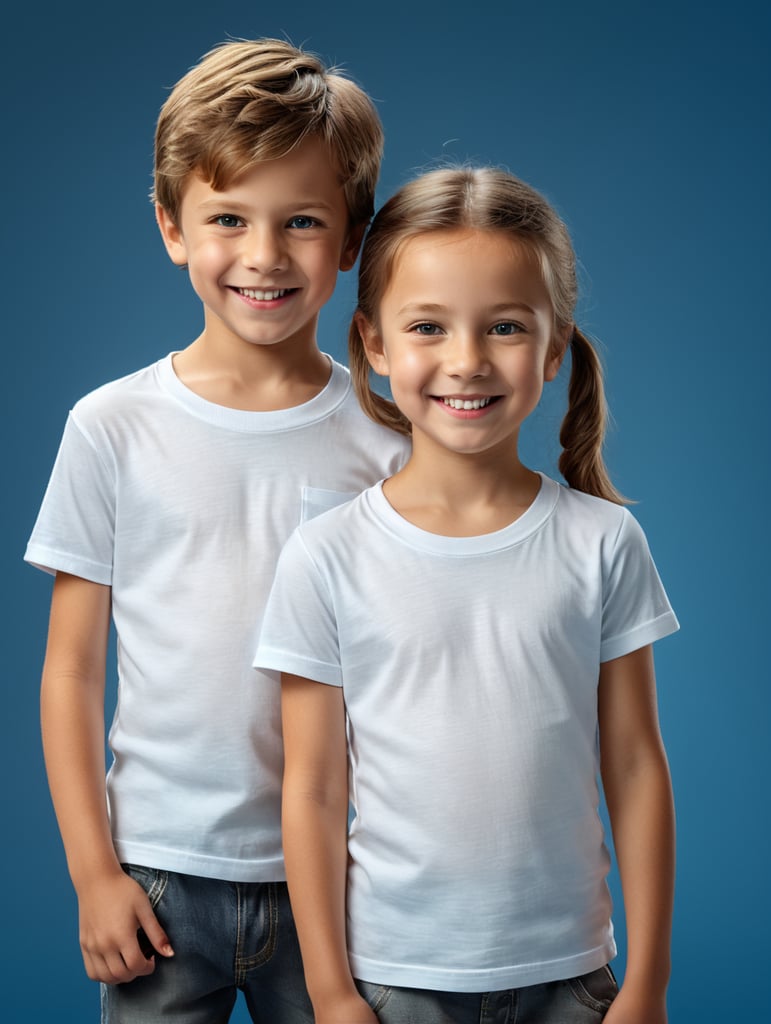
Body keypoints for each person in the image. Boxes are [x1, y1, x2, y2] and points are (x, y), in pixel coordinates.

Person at [25, 38, 408, 1023]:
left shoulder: (388, 439)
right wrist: (92, 873)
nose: (264, 254)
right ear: (171, 227)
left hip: (338, 872)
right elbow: (71, 670)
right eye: (227, 218)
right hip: (156, 879)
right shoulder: (112, 426)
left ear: (352, 239)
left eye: (304, 221)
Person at [254, 166, 679, 1024]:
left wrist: (646, 986)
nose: (466, 361)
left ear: (554, 346)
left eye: (505, 327)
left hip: (571, 979)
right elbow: (312, 789)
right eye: (427, 327)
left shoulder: (601, 542)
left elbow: (633, 766)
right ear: (373, 343)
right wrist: (330, 992)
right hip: (394, 979)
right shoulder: (326, 555)